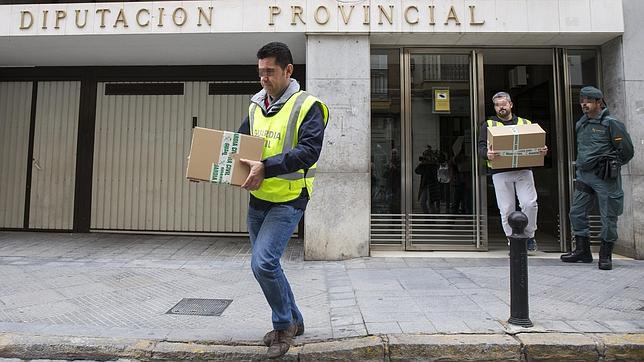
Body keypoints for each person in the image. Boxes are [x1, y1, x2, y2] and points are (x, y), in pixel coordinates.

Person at [237, 42, 329, 358]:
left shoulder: (309, 106)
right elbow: (240, 147)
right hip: (259, 198)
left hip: (290, 198)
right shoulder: (255, 105)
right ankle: (296, 320)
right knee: (269, 264)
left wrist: (268, 167)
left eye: (270, 72)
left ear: (288, 70)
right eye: (260, 71)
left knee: (262, 263)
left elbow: (308, 151)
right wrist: (209, 169)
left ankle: (282, 327)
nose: (263, 78)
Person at [560, 86, 633, 270]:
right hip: (584, 176)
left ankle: (605, 254)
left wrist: (612, 165)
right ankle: (583, 251)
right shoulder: (582, 123)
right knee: (576, 212)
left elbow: (627, 151)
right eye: (582, 101)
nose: (584, 104)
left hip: (604, 177)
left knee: (608, 216)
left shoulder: (611, 123)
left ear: (599, 102)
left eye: (588, 101)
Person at [478, 92, 548, 253]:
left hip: (524, 170)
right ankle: (513, 240)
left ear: (511, 104)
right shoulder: (488, 124)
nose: (501, 107)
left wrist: (542, 150)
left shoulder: (525, 123)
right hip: (500, 172)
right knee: (506, 208)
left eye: (503, 104)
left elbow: (537, 144)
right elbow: (481, 146)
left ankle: (529, 237)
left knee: (529, 204)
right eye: (497, 105)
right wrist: (486, 154)